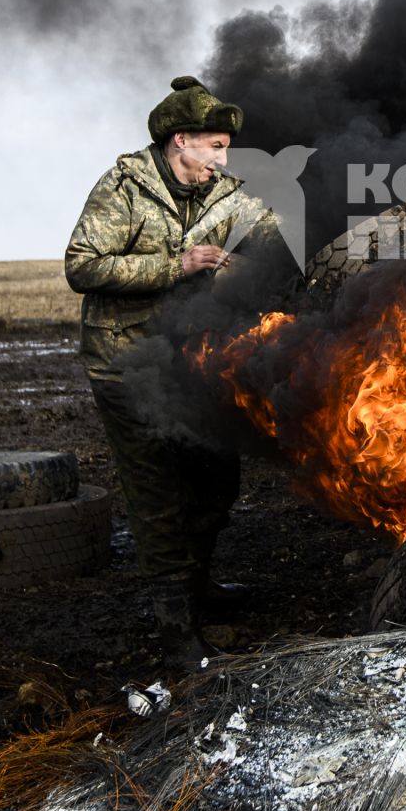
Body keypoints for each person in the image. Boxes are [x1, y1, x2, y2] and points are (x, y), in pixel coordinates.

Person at [64, 75, 275, 667]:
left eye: (225, 149)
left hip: (197, 362)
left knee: (215, 481)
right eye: (213, 147)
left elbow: (276, 244)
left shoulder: (227, 196)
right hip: (127, 363)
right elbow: (82, 265)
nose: (221, 159)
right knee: (159, 496)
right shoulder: (125, 187)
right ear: (180, 140)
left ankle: (201, 588)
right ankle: (177, 630)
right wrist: (176, 265)